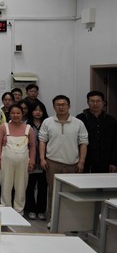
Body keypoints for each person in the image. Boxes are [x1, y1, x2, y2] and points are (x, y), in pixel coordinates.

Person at [39, 95, 89, 227]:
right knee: (52, 192)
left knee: (71, 193)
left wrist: (82, 161)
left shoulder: (78, 123)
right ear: (54, 107)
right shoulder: (47, 122)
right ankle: (53, 219)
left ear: (69, 106)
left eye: (64, 104)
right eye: (58, 105)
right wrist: (42, 158)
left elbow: (83, 143)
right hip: (52, 163)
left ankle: (70, 221)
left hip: (72, 164)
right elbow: (42, 141)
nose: (61, 107)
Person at [0, 104, 36, 214]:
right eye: (13, 113)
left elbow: (32, 146)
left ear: (22, 114)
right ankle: (5, 210)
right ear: (9, 114)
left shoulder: (29, 129)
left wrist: (32, 162)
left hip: (23, 163)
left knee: (21, 187)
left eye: (18, 113)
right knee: (6, 186)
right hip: (6, 162)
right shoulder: (4, 127)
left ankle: (19, 211)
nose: (15, 115)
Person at [76, 91, 117, 173]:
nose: (95, 104)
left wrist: (114, 162)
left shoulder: (111, 120)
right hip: (85, 160)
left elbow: (115, 142)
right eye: (92, 101)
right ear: (88, 103)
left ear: (103, 103)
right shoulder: (80, 119)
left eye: (98, 101)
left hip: (106, 160)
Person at [24, 100, 49, 220]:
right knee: (30, 186)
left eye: (40, 110)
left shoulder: (48, 124)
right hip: (30, 159)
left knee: (43, 187)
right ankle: (31, 209)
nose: (38, 112)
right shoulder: (26, 125)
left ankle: (41, 210)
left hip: (45, 159)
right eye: (35, 110)